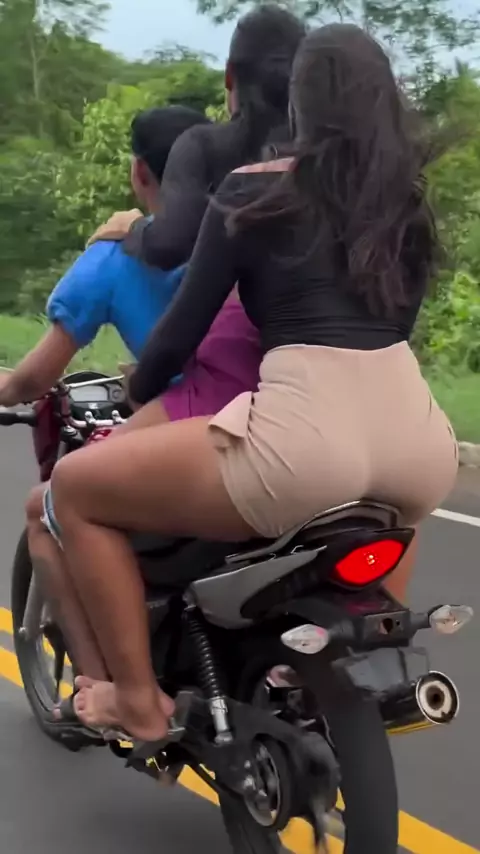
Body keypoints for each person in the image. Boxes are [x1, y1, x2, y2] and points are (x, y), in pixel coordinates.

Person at [45, 23, 459, 743]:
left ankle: (136, 701)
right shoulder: (407, 205)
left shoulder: (252, 191)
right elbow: (394, 325)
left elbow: (181, 332)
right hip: (421, 444)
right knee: (391, 513)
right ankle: (334, 678)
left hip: (304, 438)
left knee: (74, 491)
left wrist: (140, 391)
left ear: (300, 102)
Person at [24, 3, 305, 698]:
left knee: (59, 502)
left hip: (216, 400)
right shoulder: (342, 169)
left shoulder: (190, 202)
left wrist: (141, 381)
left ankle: (119, 691)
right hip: (332, 401)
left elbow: (180, 327)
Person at [0, 106, 214, 409]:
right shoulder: (252, 229)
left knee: (90, 448)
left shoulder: (109, 258)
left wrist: (9, 388)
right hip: (270, 407)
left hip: (191, 418)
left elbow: (31, 382)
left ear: (139, 171)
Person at [86, 3, 306, 268]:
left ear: (229, 76)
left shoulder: (203, 146)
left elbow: (168, 245)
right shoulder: (332, 143)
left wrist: (134, 227)